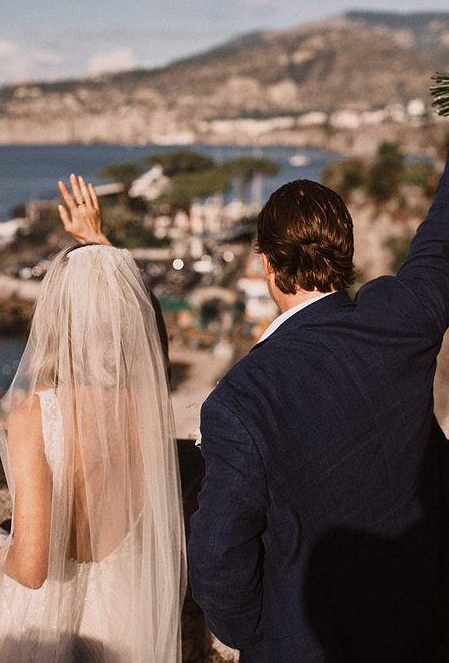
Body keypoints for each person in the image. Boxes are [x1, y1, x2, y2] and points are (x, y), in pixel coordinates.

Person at [188, 159, 449, 660]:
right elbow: (441, 242)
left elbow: (219, 562)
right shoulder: (398, 321)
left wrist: (266, 637)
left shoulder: (240, 400)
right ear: (345, 251)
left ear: (266, 263)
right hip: (421, 629)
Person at [0, 175, 186, 662]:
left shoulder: (37, 415)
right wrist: (103, 248)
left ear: (56, 316)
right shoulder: (144, 404)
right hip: (124, 621)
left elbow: (33, 567)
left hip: (55, 635)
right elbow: (153, 343)